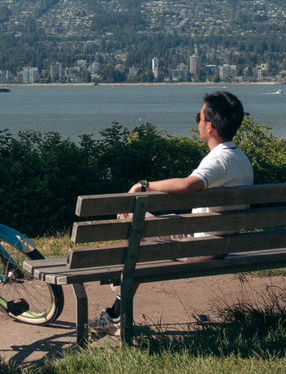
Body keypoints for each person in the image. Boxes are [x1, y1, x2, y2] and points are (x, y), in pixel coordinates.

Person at [88, 90, 254, 336]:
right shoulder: (241, 159)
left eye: (197, 118)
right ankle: (116, 309)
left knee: (136, 232)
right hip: (223, 242)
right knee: (141, 229)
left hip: (201, 248)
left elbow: (189, 185)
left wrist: (145, 186)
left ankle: (117, 308)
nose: (196, 122)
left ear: (209, 126)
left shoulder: (218, 160)